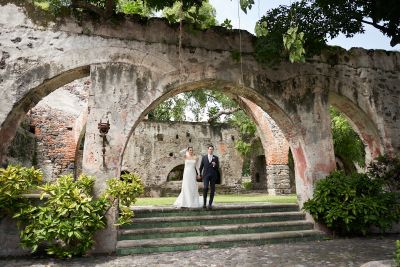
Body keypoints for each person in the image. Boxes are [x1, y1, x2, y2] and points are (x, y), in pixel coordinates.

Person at [199, 144, 219, 209]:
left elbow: (217, 168)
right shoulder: (204, 157)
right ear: (208, 150)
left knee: (212, 190)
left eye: (212, 149)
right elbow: (201, 167)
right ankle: (204, 204)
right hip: (206, 175)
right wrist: (199, 174)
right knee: (205, 188)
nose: (211, 150)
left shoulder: (216, 158)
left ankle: (210, 204)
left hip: (213, 175)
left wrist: (215, 165)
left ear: (213, 150)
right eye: (210, 149)